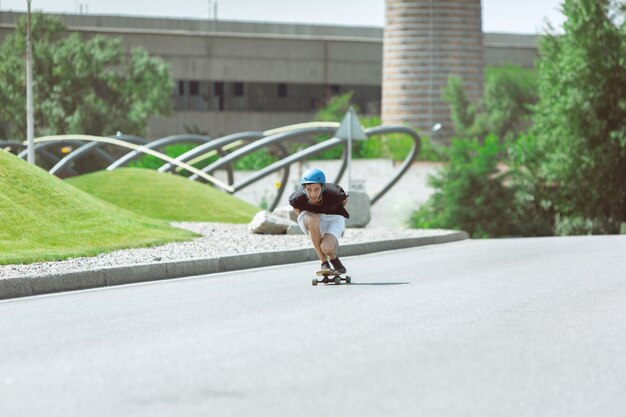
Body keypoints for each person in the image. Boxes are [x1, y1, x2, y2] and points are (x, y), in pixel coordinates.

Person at [288, 168, 349, 274]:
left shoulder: (334, 193)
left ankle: (333, 259)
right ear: (304, 188)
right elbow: (297, 209)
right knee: (313, 219)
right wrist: (310, 224)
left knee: (327, 248)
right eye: (309, 189)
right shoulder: (297, 198)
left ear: (323, 187)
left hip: (333, 217)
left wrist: (332, 208)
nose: (313, 194)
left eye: (317, 189)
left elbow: (344, 201)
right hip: (311, 218)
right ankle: (324, 263)